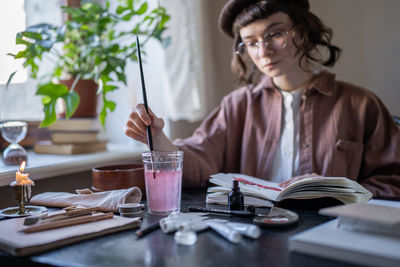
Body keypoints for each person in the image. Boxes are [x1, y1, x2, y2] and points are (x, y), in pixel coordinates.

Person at [125, 0, 400, 197]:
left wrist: (336, 189)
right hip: (254, 234)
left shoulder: (361, 105)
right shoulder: (237, 106)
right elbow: (200, 158)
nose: (264, 51)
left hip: (331, 234)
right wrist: (159, 139)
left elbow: (393, 180)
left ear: (302, 33)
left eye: (275, 34)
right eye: (251, 42)